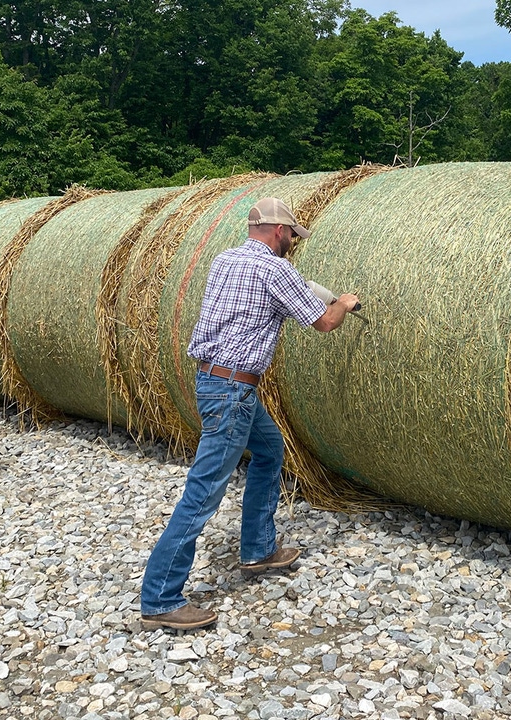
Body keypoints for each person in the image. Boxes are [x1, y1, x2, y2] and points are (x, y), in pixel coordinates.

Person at [139, 197, 360, 631]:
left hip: (213, 381)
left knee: (270, 449)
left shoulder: (225, 260)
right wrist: (346, 302)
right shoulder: (275, 269)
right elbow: (324, 323)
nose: (292, 244)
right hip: (235, 391)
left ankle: (258, 548)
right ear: (279, 231)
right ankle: (160, 598)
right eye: (292, 236)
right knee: (202, 494)